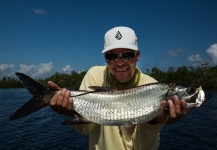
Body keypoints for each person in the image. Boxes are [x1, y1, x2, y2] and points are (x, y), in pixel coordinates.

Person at [48, 26, 187, 150]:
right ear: (105, 58)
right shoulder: (94, 75)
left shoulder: (154, 87)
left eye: (127, 55)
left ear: (137, 56)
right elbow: (83, 129)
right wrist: (72, 110)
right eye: (112, 56)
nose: (120, 63)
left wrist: (154, 121)